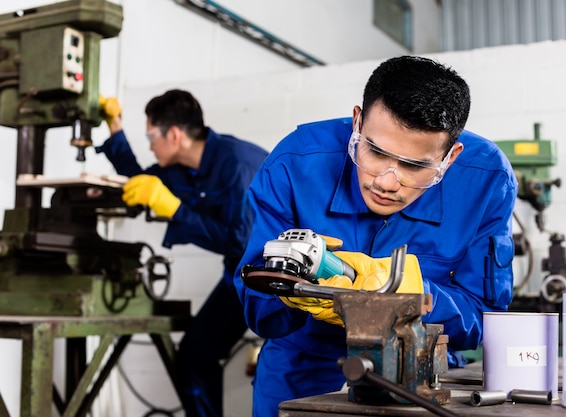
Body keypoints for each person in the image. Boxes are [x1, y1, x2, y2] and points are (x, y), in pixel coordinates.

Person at [233, 56, 518, 416]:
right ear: (357, 123)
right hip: (301, 364)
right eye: (376, 152)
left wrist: (413, 296)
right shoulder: (295, 163)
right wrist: (296, 293)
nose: (386, 182)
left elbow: (485, 319)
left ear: (450, 158)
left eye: (415, 166)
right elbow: (259, 308)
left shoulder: (487, 179)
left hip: (421, 372)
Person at [97, 89, 268, 417]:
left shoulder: (237, 164)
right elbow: (139, 182)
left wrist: (174, 208)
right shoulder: (179, 168)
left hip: (270, 277)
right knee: (194, 355)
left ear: (173, 135)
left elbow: (240, 243)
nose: (149, 145)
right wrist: (114, 128)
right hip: (237, 273)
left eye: (150, 136)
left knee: (276, 365)